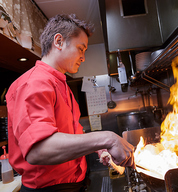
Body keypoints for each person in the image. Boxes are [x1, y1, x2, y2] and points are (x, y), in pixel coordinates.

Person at [6, 14, 135, 192]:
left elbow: (70, 134)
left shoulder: (61, 85)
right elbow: (39, 150)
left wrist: (98, 148)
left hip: (74, 184)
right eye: (81, 49)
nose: (83, 57)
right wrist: (107, 138)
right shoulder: (34, 82)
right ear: (58, 41)